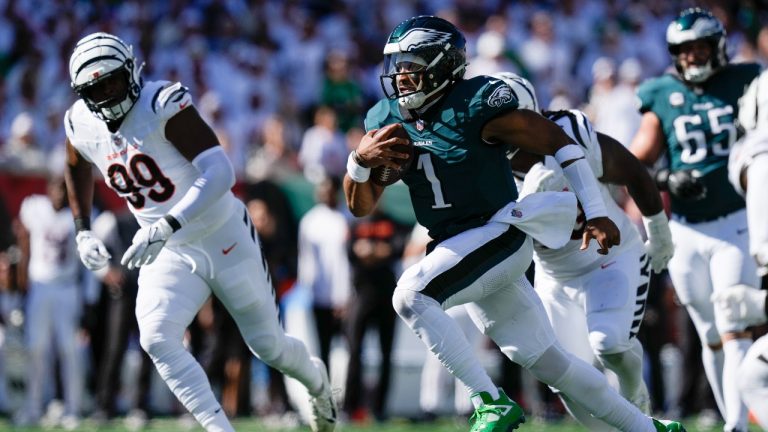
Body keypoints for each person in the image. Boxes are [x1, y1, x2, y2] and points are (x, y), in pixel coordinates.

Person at [344, 15, 684, 432]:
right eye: (397, 65)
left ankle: (489, 401)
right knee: (550, 364)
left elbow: (562, 144)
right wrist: (358, 164)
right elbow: (360, 205)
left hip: (499, 232)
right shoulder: (389, 118)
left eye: (411, 64)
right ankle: (650, 428)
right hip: (463, 244)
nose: (400, 76)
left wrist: (597, 210)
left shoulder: (477, 105)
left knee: (411, 296)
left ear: (441, 64)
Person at [62, 32, 336, 432]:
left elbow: (220, 172)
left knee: (268, 346)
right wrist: (82, 229)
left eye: (114, 81)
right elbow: (75, 165)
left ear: (131, 72)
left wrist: (167, 223)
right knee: (155, 336)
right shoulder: (81, 123)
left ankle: (318, 383)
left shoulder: (159, 105)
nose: (107, 94)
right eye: (96, 88)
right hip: (168, 250)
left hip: (222, 235)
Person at [495, 72, 675, 428]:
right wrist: (528, 206)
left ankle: (635, 396)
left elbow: (633, 171)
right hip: (553, 275)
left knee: (609, 344)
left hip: (610, 259)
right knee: (564, 376)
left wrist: (658, 232)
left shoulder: (571, 133)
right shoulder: (483, 168)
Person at [629, 9, 760, 432]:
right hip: (686, 229)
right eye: (684, 50)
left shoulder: (748, 82)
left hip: (737, 221)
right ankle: (730, 418)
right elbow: (634, 163)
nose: (693, 56)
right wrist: (666, 177)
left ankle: (735, 426)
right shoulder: (661, 92)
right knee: (710, 332)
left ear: (718, 46)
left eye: (700, 47)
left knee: (733, 320)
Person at [14, 177, 83, 429]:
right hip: (40, 287)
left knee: (69, 350)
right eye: (55, 188)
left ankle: (73, 407)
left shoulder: (75, 217)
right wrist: (22, 279)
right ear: (48, 190)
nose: (58, 194)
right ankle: (32, 406)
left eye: (63, 190)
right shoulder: (35, 207)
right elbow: (21, 234)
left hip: (66, 288)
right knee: (35, 349)